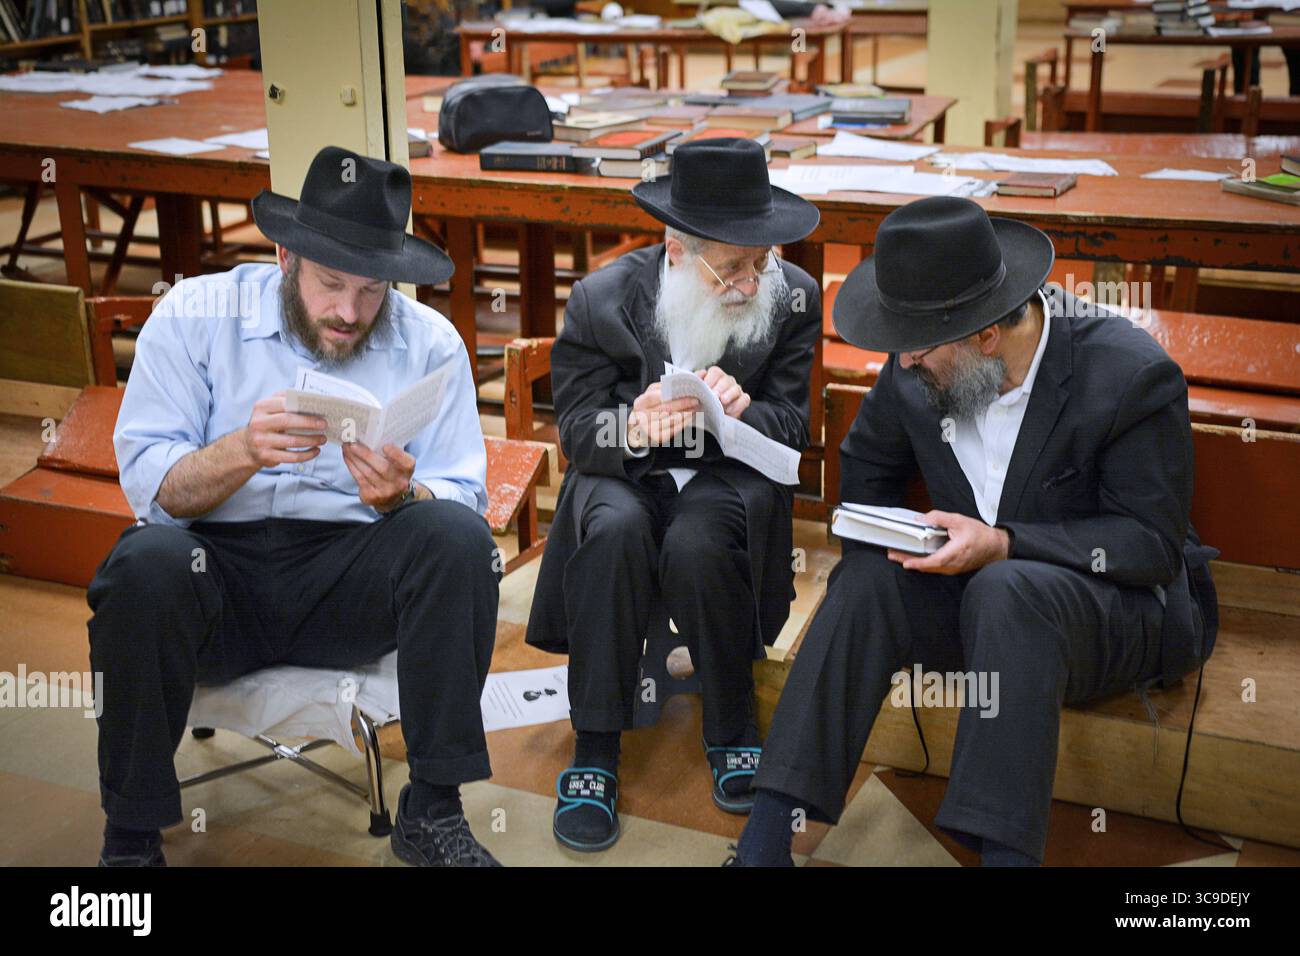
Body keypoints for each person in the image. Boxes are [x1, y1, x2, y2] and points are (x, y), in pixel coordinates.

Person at [730, 196, 1219, 867]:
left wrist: (1008, 543)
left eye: (916, 350)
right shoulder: (919, 367)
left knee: (1010, 590)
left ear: (986, 335)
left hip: (1109, 614)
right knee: (866, 582)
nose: (900, 365)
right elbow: (867, 473)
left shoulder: (1128, 373)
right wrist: (900, 540)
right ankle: (765, 841)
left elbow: (1152, 546)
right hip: (978, 605)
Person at [89, 146, 503, 867]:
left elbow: (465, 496)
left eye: (372, 291)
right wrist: (241, 450)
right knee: (143, 562)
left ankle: (433, 809)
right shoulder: (194, 315)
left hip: (350, 577)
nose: (348, 312)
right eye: (330, 283)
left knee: (454, 538)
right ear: (285, 256)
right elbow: (151, 488)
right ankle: (130, 838)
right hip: (213, 576)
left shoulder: (429, 343)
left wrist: (403, 496)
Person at [525, 138, 822, 852]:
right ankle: (595, 746)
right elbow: (574, 428)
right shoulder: (603, 298)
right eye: (734, 267)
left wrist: (745, 410)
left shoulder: (793, 298)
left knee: (700, 539)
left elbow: (793, 432)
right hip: (628, 476)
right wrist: (632, 425)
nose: (752, 283)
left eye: (762, 261)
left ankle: (732, 725)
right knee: (617, 532)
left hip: (726, 477)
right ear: (677, 249)